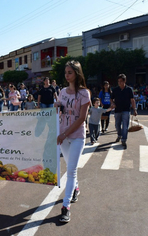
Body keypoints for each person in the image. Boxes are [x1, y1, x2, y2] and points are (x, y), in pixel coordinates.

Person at [55, 60, 91, 223]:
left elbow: (82, 118)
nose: (67, 75)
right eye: (65, 72)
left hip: (76, 136)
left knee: (71, 171)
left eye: (69, 72)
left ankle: (65, 206)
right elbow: (61, 111)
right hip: (63, 136)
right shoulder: (62, 91)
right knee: (70, 167)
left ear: (77, 74)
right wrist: (57, 106)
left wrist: (65, 134)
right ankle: (75, 188)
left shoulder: (84, 94)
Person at [110, 74, 137, 149]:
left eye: (121, 81)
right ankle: (119, 135)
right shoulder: (115, 90)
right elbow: (111, 99)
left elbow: (132, 100)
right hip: (117, 110)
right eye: (118, 81)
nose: (119, 83)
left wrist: (134, 109)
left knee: (125, 126)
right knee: (117, 125)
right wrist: (112, 103)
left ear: (125, 81)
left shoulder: (129, 89)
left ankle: (124, 139)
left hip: (126, 110)